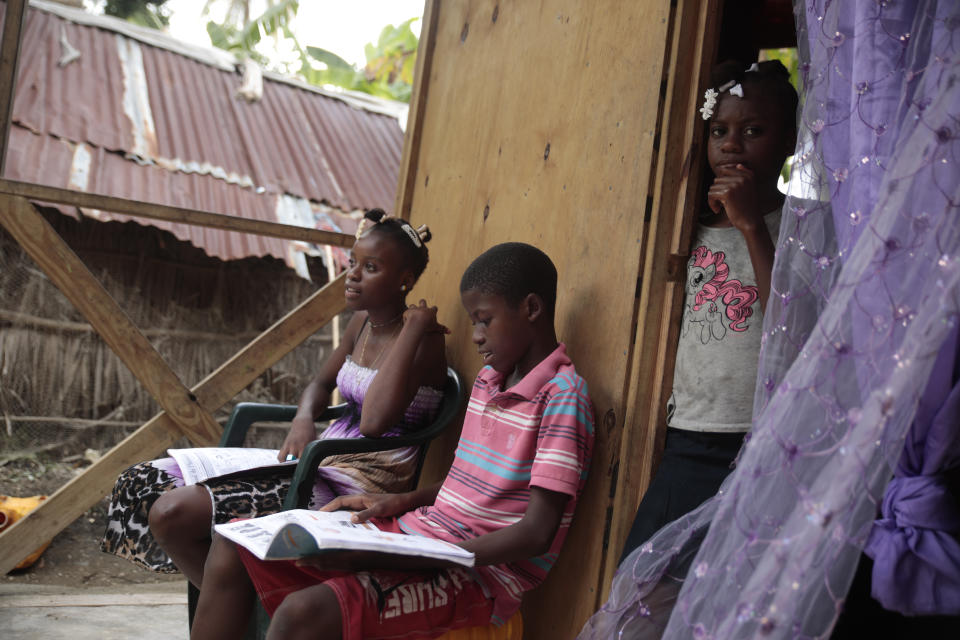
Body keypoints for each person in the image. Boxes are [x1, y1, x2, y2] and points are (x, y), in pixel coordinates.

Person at [190, 242, 595, 640]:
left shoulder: (562, 398)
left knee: (303, 614)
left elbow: (538, 532)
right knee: (232, 546)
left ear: (532, 309)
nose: (475, 336)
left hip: (480, 573)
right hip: (423, 534)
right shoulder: (490, 383)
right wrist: (398, 503)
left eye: (484, 320)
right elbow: (468, 484)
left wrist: (428, 557)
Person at [100, 209, 448, 588]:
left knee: (172, 513)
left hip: (359, 485)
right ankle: (242, 601)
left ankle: (241, 603)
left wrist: (413, 328)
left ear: (405, 279)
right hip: (319, 460)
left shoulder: (424, 341)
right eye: (352, 263)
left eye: (371, 267)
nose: (352, 274)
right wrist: (302, 420)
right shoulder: (361, 323)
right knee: (142, 482)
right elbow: (319, 383)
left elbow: (374, 424)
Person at [619, 60, 798, 559]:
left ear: (791, 141)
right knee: (648, 581)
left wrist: (751, 227)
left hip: (761, 438)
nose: (732, 144)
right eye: (720, 130)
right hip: (687, 438)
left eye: (753, 130)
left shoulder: (803, 226)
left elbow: (794, 323)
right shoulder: (683, 230)